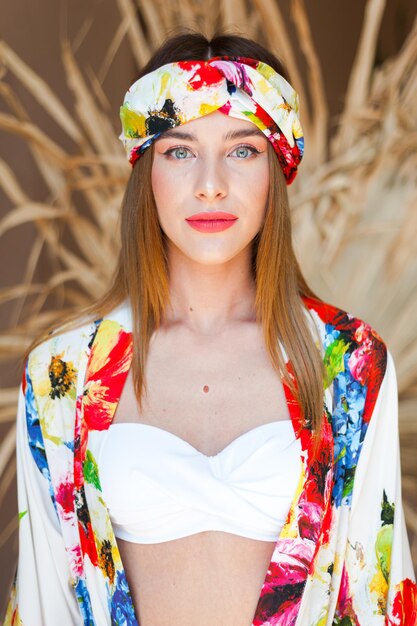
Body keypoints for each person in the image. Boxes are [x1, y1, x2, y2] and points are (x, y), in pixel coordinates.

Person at [3, 29, 416, 626]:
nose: (210, 183)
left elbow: (380, 595)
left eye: (243, 150)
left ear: (277, 167)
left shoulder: (350, 363)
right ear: (146, 171)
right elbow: (45, 604)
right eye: (179, 150)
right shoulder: (61, 376)